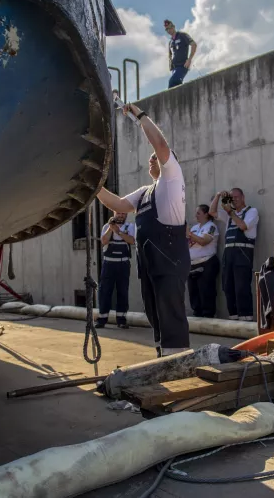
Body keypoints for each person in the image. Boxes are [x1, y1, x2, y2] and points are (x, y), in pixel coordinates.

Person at [96, 103, 190, 357]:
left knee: (170, 312)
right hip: (150, 264)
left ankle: (178, 359)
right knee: (154, 312)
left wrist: (140, 116)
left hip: (170, 260)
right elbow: (115, 203)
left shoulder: (172, 178)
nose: (151, 160)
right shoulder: (145, 193)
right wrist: (92, 186)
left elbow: (160, 146)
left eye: (155, 159)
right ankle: (163, 356)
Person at [210, 188, 259, 321]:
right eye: (232, 198)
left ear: (243, 197)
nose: (235, 200)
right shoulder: (229, 215)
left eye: (237, 197)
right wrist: (219, 195)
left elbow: (243, 226)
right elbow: (212, 212)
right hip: (229, 253)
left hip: (243, 252)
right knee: (228, 286)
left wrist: (230, 212)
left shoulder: (251, 211)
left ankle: (246, 317)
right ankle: (234, 317)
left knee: (241, 286)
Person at [96, 212, 135, 329]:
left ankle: (121, 320)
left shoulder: (130, 227)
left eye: (123, 214)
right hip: (109, 263)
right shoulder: (106, 227)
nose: (121, 216)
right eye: (118, 213)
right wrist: (111, 228)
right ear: (114, 213)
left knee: (122, 291)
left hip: (123, 263)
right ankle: (102, 319)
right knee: (105, 291)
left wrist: (118, 231)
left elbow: (131, 240)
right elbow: (104, 241)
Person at [187, 204, 220, 318]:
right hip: (192, 264)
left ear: (206, 214)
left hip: (207, 262)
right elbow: (188, 244)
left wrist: (190, 235)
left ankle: (208, 316)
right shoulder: (195, 227)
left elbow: (204, 241)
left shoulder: (211, 226)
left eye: (198, 213)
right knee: (193, 292)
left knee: (206, 291)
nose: (196, 216)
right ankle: (197, 315)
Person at [164, 19, 197, 89]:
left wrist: (189, 59)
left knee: (172, 82)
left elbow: (194, 45)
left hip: (182, 65)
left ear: (173, 27)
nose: (168, 30)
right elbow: (170, 55)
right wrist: (171, 66)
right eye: (166, 29)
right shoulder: (170, 42)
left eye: (169, 28)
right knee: (177, 86)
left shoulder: (182, 35)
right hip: (174, 68)